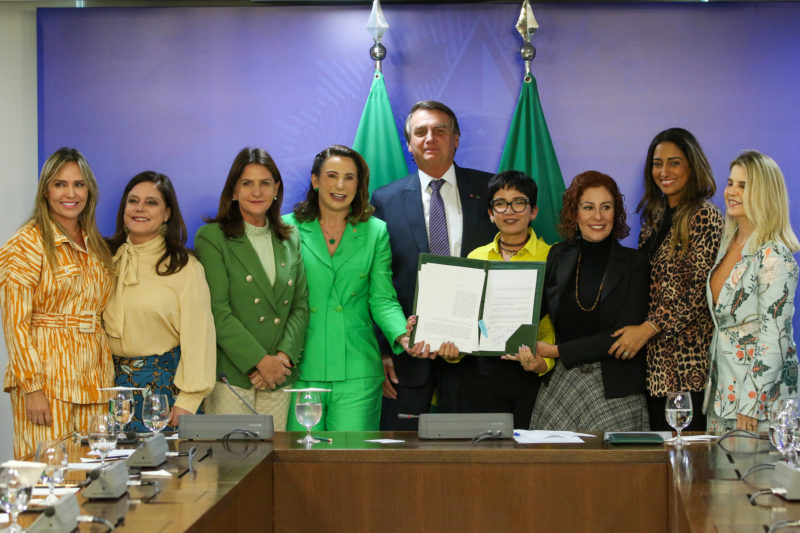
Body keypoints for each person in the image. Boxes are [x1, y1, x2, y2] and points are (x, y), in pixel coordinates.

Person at [372, 100, 497, 430]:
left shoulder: (491, 191)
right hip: (410, 355)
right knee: (401, 456)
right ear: (409, 144)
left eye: (440, 130)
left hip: (476, 354)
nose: (430, 138)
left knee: (473, 454)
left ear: (456, 139)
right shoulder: (383, 200)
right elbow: (377, 280)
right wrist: (384, 350)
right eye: (421, 132)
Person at [284, 145, 421, 431]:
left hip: (357, 367)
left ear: (359, 185)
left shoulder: (376, 231)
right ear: (315, 181)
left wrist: (402, 335)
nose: (340, 185)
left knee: (350, 468)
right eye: (332, 175)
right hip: (299, 365)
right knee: (300, 467)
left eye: (349, 177)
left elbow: (382, 298)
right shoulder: (286, 228)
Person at [511, 171, 649, 431]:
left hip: (615, 391)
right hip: (564, 387)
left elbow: (623, 336)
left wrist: (555, 352)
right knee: (551, 470)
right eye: (588, 207)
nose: (598, 216)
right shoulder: (558, 255)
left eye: (605, 207)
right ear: (575, 213)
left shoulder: (636, 263)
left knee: (615, 472)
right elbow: (529, 312)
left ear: (615, 213)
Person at [0, 147, 113, 458]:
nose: (70, 193)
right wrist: (32, 388)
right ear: (45, 190)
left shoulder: (96, 245)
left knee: (92, 476)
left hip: (95, 381)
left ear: (89, 191)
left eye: (79, 184)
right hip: (49, 385)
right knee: (48, 477)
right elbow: (16, 325)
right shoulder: (25, 244)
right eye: (60, 184)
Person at [610, 128, 722, 431]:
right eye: (657, 163)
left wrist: (646, 330)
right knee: (659, 464)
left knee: (689, 463)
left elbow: (698, 292)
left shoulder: (704, 217)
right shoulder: (654, 216)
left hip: (686, 366)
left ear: (692, 165)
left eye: (674, 162)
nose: (664, 171)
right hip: (652, 365)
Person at [195, 148, 309, 431]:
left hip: (278, 376)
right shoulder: (213, 237)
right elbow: (217, 311)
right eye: (247, 183)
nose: (257, 191)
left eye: (265, 183)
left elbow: (300, 306)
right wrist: (258, 362)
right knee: (231, 469)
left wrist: (281, 360)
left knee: (271, 465)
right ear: (233, 191)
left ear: (276, 189)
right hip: (233, 375)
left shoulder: (290, 236)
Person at [104, 171, 216, 432]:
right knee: (111, 472)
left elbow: (199, 338)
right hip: (108, 394)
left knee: (163, 472)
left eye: (151, 202)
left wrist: (189, 399)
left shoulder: (184, 267)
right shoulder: (105, 260)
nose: (140, 208)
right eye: (133, 201)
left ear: (167, 213)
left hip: (164, 395)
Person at [451, 170, 556, 429]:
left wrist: (543, 363)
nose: (510, 211)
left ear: (533, 211)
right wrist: (451, 351)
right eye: (500, 203)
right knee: (487, 459)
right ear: (490, 213)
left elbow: (557, 322)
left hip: (532, 373)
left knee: (530, 461)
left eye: (519, 202)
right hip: (482, 375)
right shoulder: (476, 258)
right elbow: (461, 320)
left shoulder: (553, 257)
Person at [705, 151, 800, 434]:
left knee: (753, 479)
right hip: (722, 395)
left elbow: (776, 336)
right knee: (719, 477)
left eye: (743, 186)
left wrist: (752, 402)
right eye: (731, 182)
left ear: (764, 193)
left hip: (759, 405)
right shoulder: (727, 243)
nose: (731, 191)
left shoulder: (775, 255)